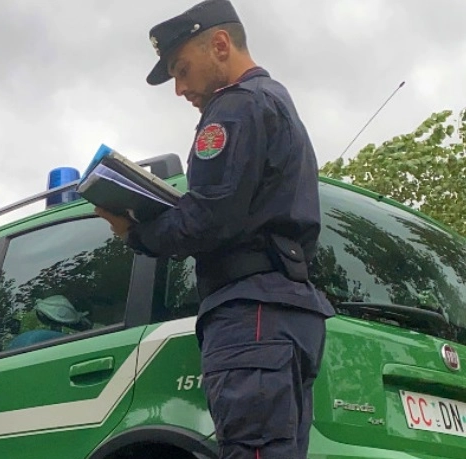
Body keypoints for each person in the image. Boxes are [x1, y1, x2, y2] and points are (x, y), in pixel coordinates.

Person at [94, 0, 336, 457]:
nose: (180, 88)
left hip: (252, 310)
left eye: (182, 70)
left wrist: (135, 232)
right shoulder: (278, 102)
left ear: (220, 45)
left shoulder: (235, 108)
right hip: (288, 312)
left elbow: (208, 217)